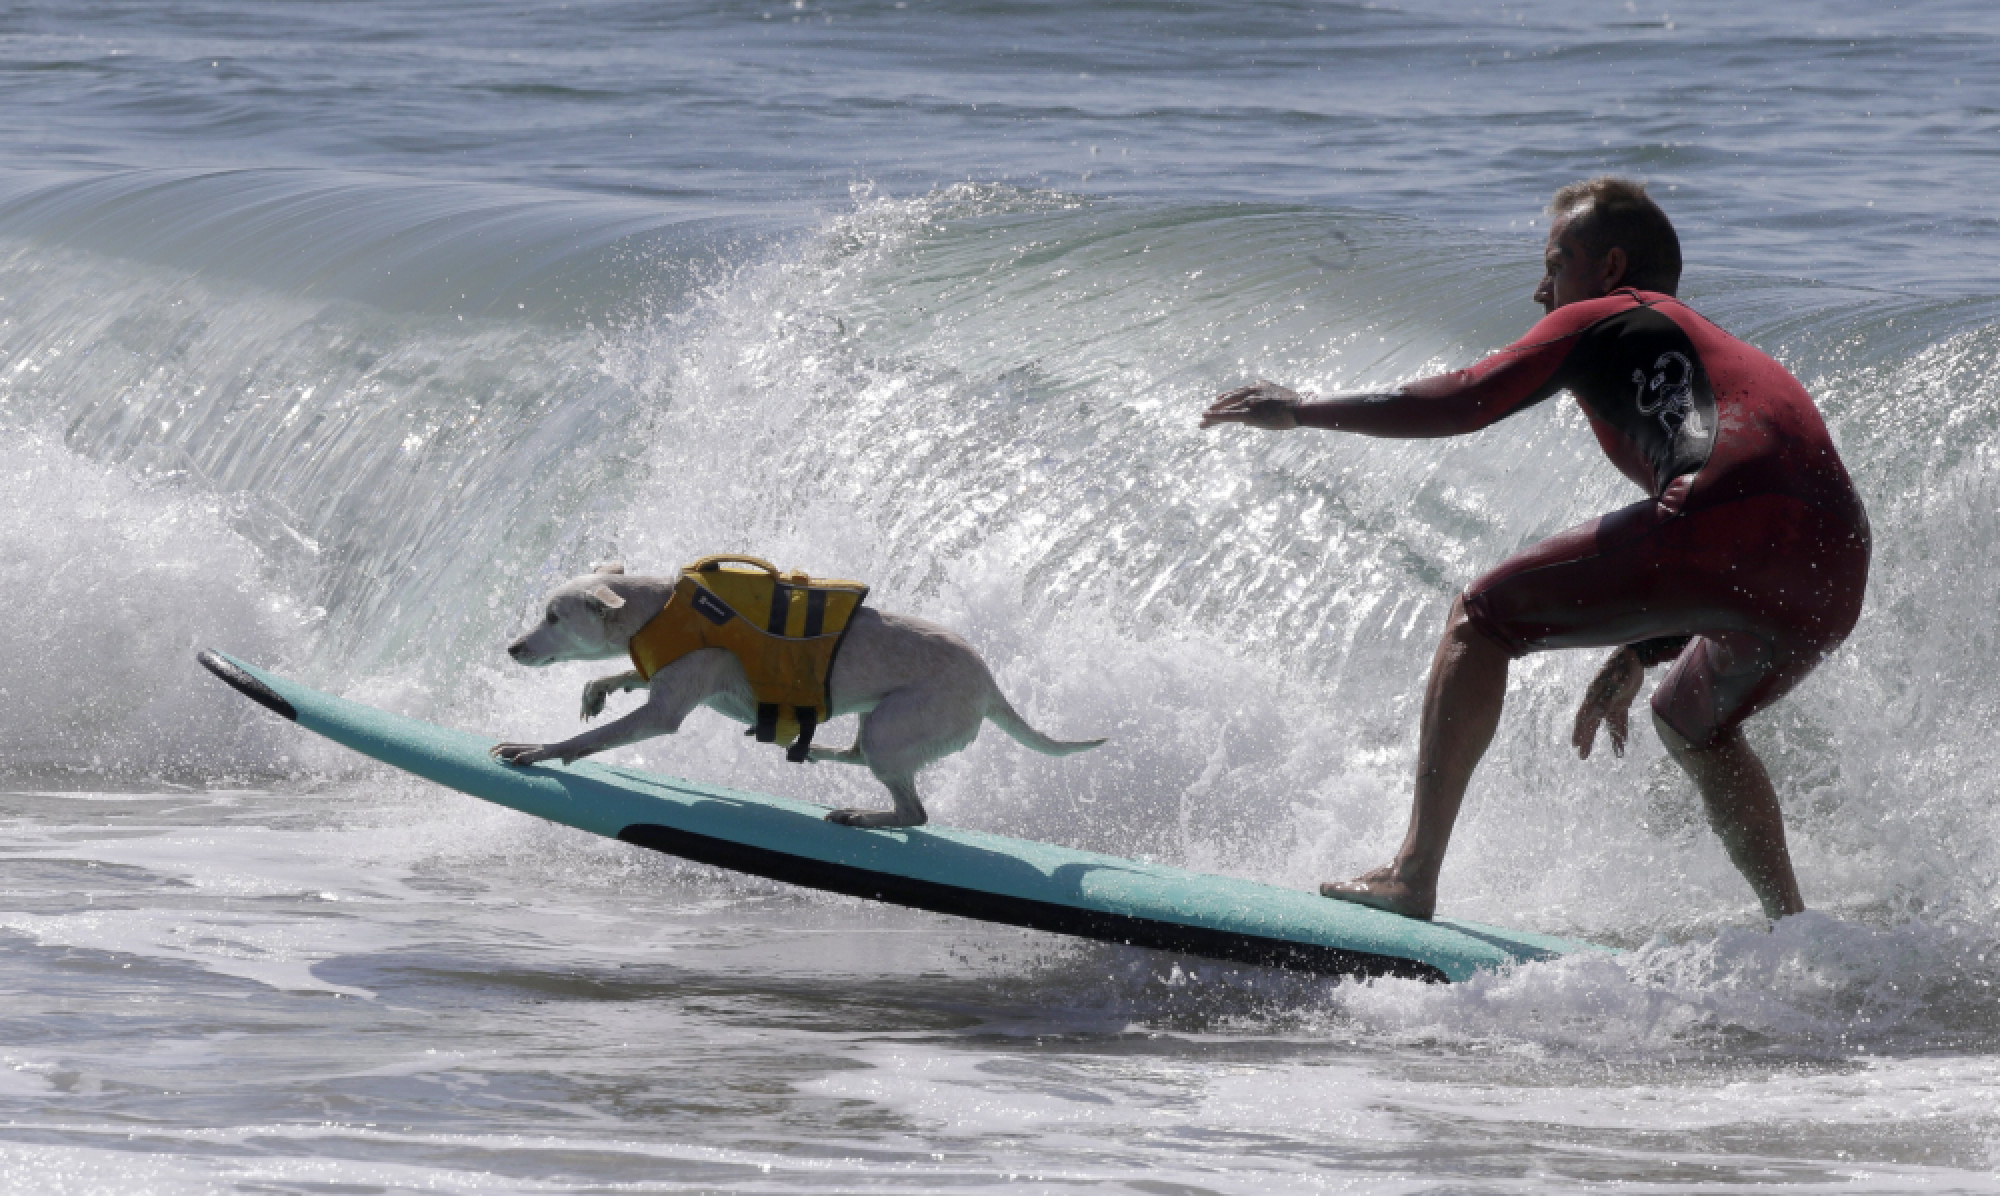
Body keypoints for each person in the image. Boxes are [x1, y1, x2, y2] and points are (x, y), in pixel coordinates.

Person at [1200, 177, 1869, 922]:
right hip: (1837, 567)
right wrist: (1643, 652)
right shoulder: (1718, 350)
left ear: (1610, 267)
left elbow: (1462, 399)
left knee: (1481, 617)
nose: (1540, 291)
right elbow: (1766, 535)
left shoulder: (1610, 315)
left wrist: (1297, 409)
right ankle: (1793, 924)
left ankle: (1411, 874)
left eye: (1555, 264)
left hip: (1723, 513)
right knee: (1692, 718)